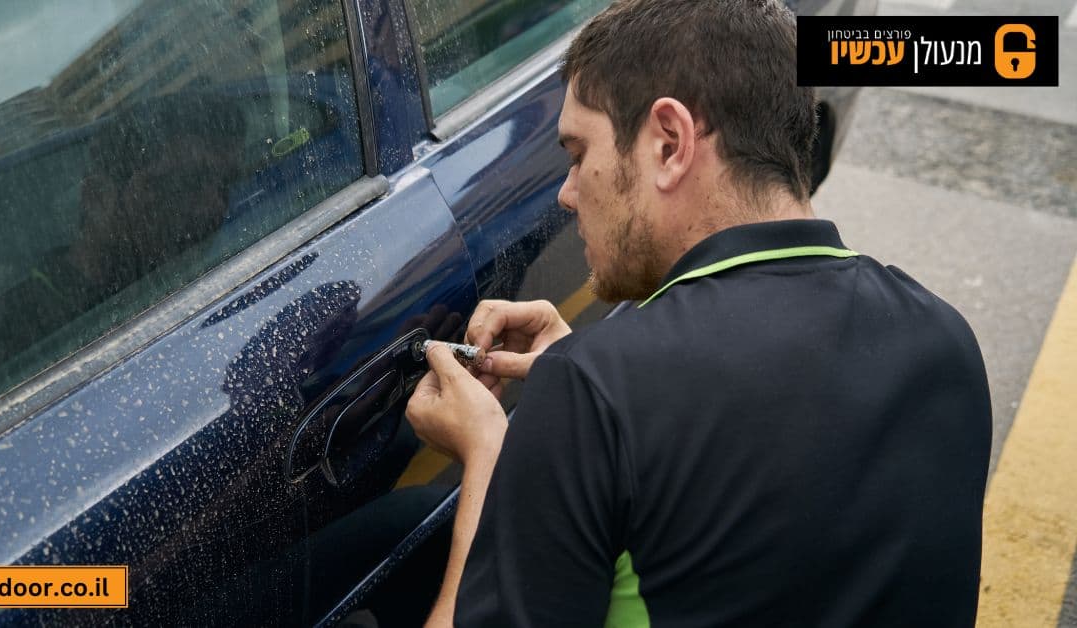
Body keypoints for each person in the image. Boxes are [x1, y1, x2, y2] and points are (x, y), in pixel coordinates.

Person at [405, 0, 992, 626]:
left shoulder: (596, 392)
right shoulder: (944, 339)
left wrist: (497, 453)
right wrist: (598, 382)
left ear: (670, 142)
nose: (568, 192)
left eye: (578, 153)